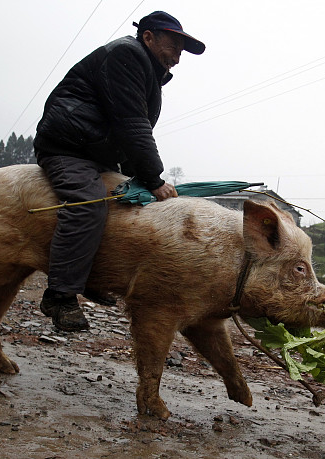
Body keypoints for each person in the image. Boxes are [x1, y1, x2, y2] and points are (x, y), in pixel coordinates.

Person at [33, 11, 205, 331]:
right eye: (174, 43)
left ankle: (91, 278)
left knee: (126, 204)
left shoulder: (147, 70)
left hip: (96, 152)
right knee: (88, 204)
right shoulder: (126, 54)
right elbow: (132, 124)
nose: (179, 55)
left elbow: (126, 128)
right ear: (148, 36)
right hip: (68, 147)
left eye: (183, 49)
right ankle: (60, 295)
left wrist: (135, 178)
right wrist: (153, 179)